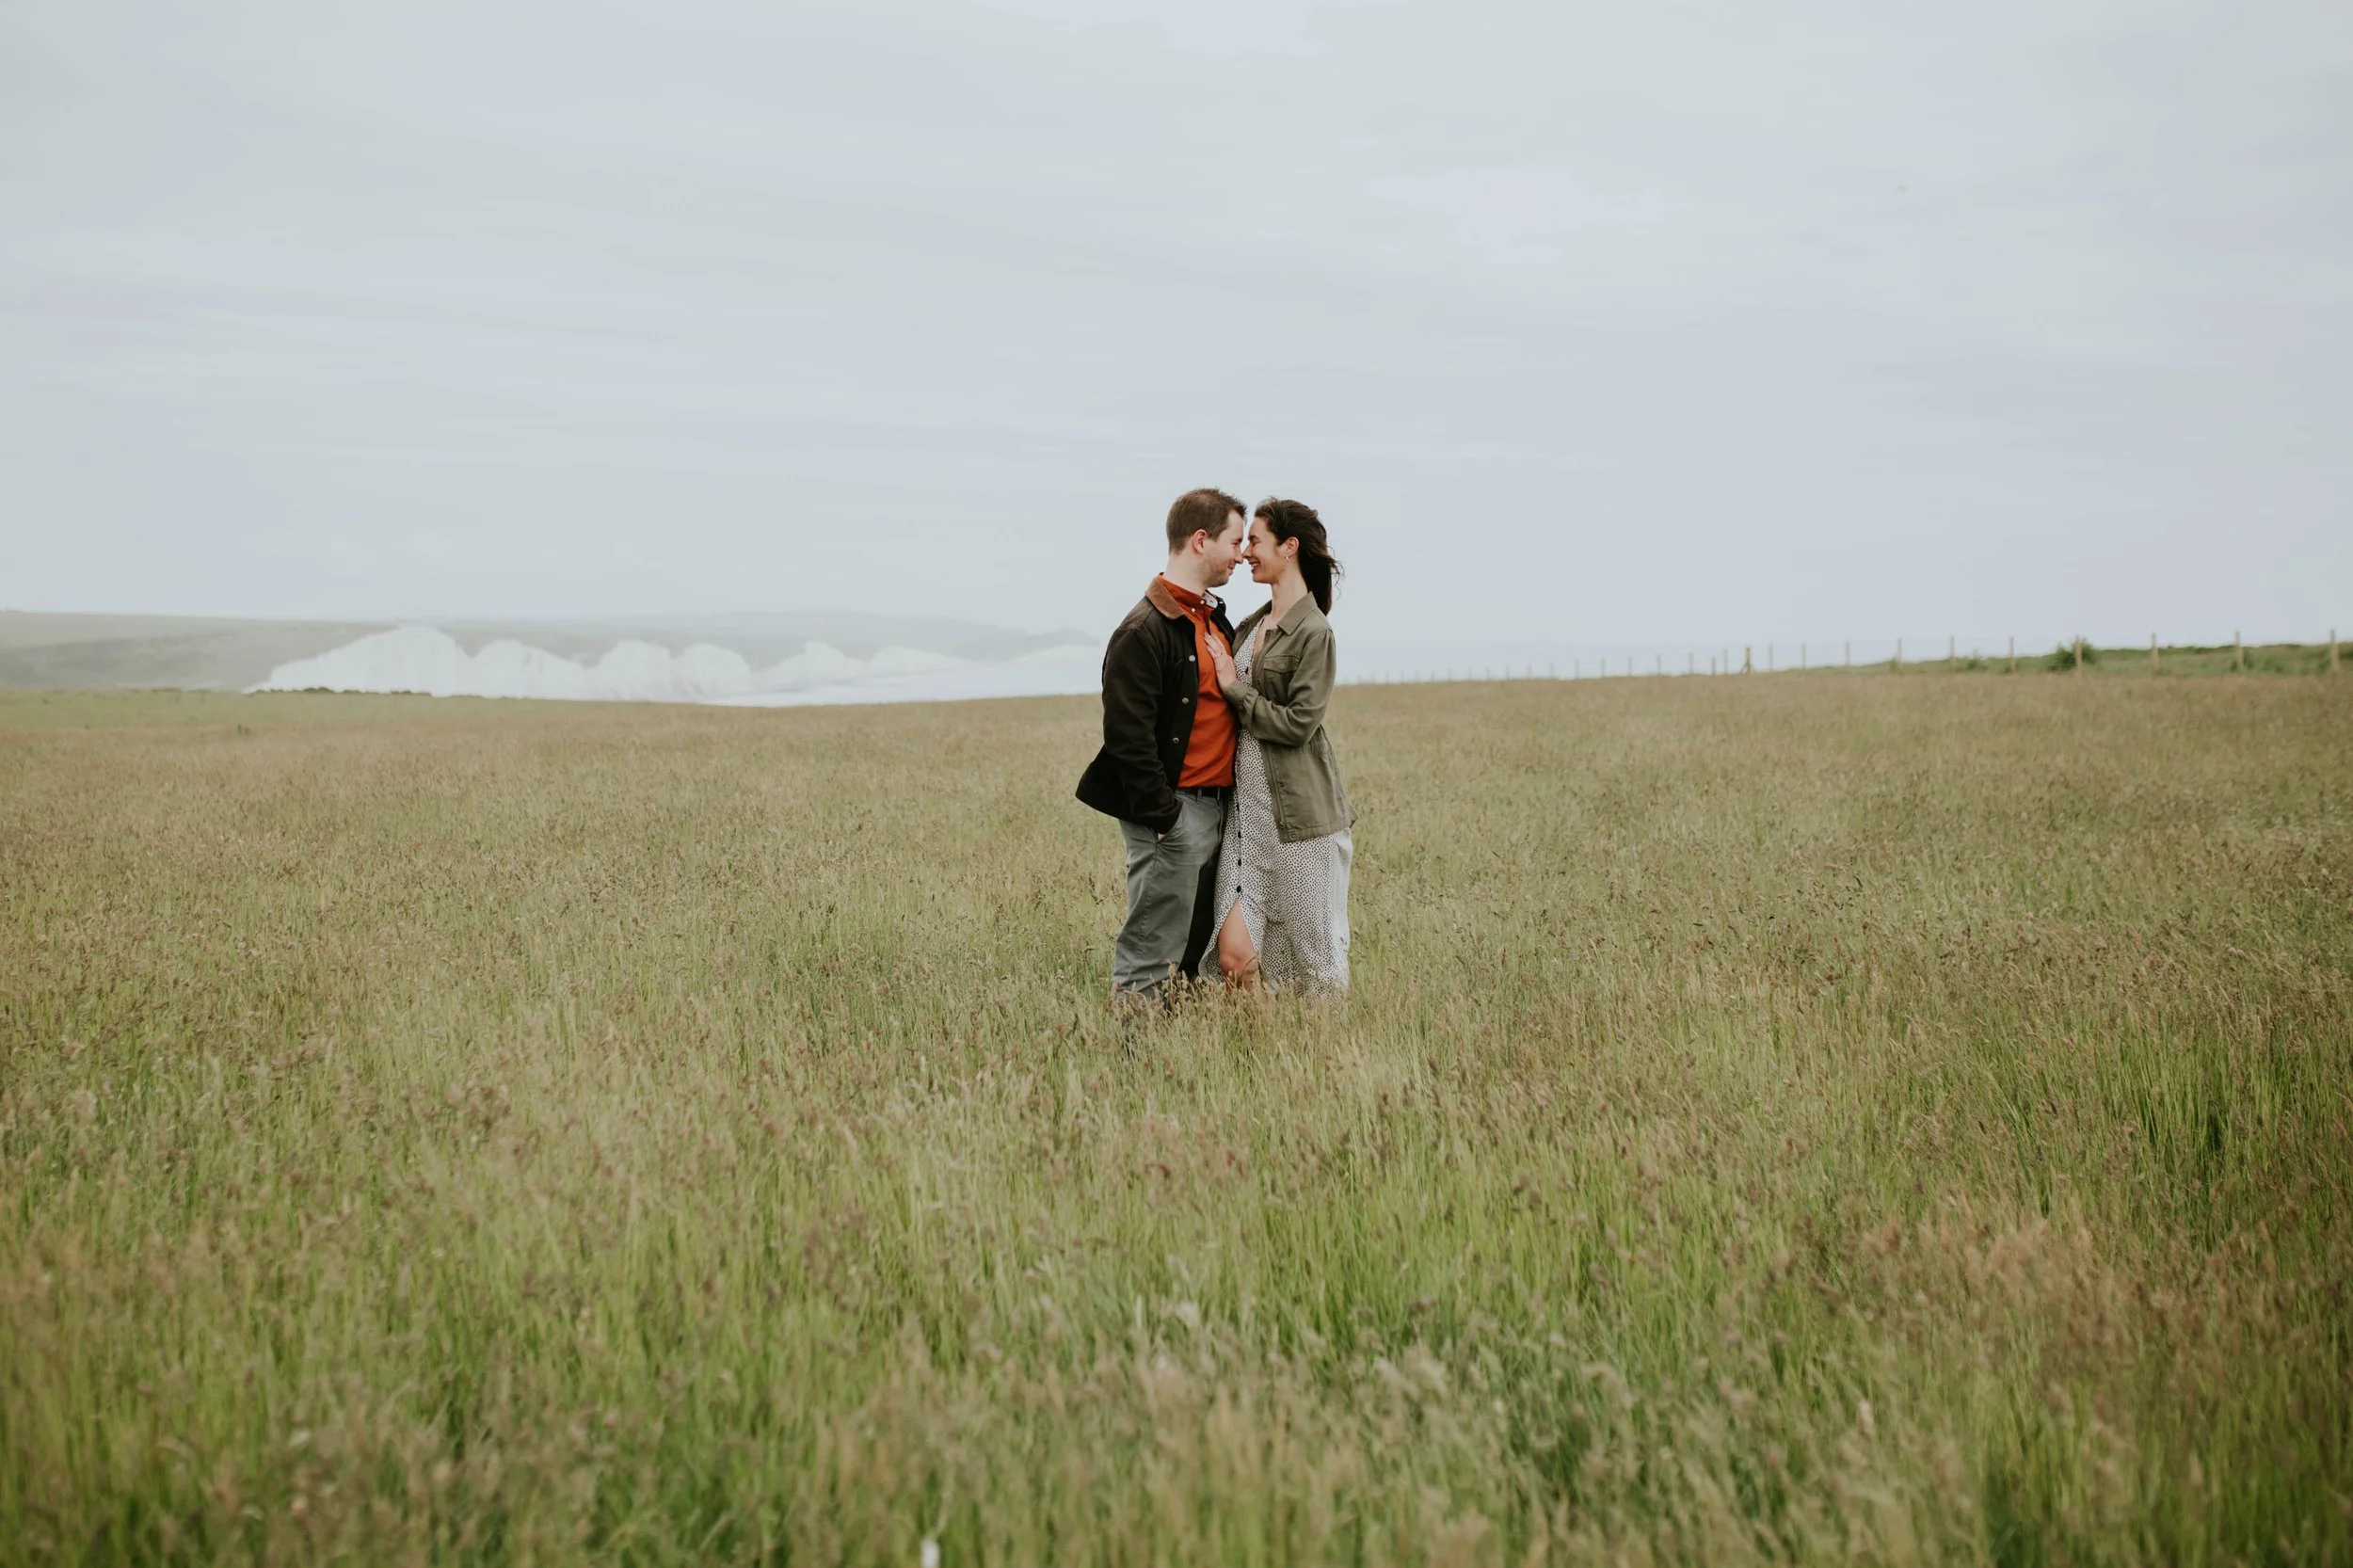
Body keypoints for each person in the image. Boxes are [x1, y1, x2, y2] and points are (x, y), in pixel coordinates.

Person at [1075, 488, 1247, 1004]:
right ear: (1201, 540)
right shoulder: (1143, 630)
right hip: (1175, 814)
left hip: (1217, 809)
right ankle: (1136, 1063)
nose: (1241, 554)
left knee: (1193, 955)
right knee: (1152, 952)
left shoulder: (1213, 619)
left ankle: (1177, 1058)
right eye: (1234, 542)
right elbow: (1127, 739)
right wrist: (1166, 819)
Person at [1206, 499, 1354, 996]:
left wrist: (1234, 688)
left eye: (1255, 540)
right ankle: (1255, 1057)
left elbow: (1298, 725)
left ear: (1288, 548)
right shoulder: (1251, 623)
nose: (1246, 551)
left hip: (1298, 820)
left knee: (1317, 965)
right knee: (1233, 957)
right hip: (1246, 818)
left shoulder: (1315, 632)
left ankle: (1320, 1063)